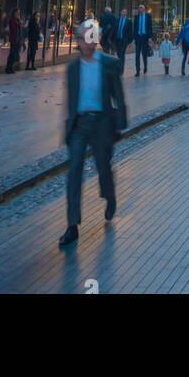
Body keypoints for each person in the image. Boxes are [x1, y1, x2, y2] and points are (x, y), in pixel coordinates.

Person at [59, 20, 127, 247]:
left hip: (101, 123)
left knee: (103, 168)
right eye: (82, 38)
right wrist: (68, 128)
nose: (86, 43)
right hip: (79, 125)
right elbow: (71, 100)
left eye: (90, 38)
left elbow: (118, 95)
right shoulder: (72, 69)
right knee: (74, 172)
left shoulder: (108, 64)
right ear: (78, 41)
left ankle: (109, 196)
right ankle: (72, 225)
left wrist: (120, 124)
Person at [133, 4, 153, 76]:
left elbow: (150, 28)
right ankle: (137, 71)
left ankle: (145, 67)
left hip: (145, 37)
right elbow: (134, 28)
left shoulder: (148, 16)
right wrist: (134, 39)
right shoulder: (136, 17)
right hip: (138, 37)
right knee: (137, 55)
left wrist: (150, 38)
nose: (140, 10)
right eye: (139, 9)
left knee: (144, 54)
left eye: (141, 9)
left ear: (144, 10)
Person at [6, 9, 21, 74]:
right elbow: (13, 28)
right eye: (17, 13)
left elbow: (20, 27)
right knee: (12, 54)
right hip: (13, 39)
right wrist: (18, 23)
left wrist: (19, 21)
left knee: (15, 54)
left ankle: (12, 66)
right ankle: (8, 67)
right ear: (14, 13)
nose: (18, 14)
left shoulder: (18, 20)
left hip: (17, 39)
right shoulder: (12, 20)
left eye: (19, 13)